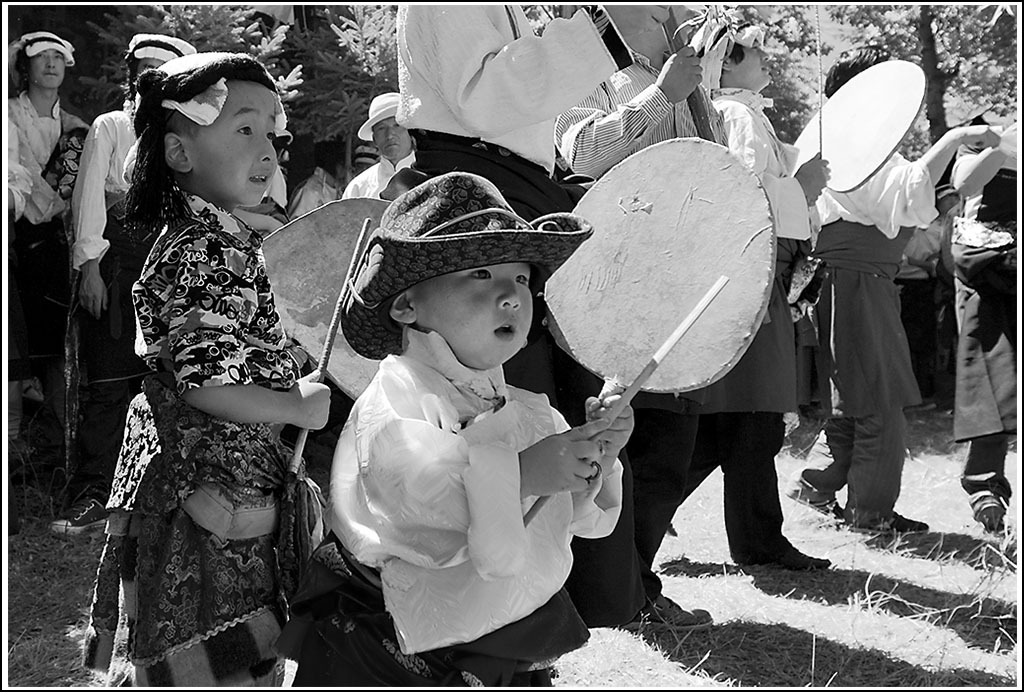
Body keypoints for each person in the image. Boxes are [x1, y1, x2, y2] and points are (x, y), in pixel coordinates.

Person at [278, 171, 632, 686]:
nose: (511, 296)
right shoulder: (391, 404)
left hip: (503, 633)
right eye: (481, 275)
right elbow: (418, 496)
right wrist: (526, 474)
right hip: (393, 643)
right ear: (406, 303)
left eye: (521, 279)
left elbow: (577, 518)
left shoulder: (533, 412)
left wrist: (594, 456)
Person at [390, 4, 671, 630]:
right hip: (471, 202)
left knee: (558, 412)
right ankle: (502, 617)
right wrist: (606, 28)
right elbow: (490, 98)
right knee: (489, 410)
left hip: (525, 195)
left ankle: (552, 606)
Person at [81, 51, 332, 686]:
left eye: (272, 132)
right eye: (245, 129)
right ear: (180, 154)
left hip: (208, 478)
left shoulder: (225, 241)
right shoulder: (203, 251)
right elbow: (209, 383)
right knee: (220, 642)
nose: (270, 150)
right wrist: (294, 405)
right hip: (209, 484)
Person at [553, 4, 724, 633]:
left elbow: (716, 177)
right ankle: (599, 591)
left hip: (679, 280)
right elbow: (578, 150)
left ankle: (639, 586)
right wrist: (661, 95)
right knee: (609, 434)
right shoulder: (577, 62)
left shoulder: (694, 80)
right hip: (607, 279)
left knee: (669, 447)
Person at [786, 45, 1001, 533]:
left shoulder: (843, 145)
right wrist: (957, 137)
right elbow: (911, 193)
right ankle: (871, 513)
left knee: (856, 401)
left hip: (854, 283)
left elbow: (915, 197)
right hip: (856, 284)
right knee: (879, 404)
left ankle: (815, 487)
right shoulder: (854, 148)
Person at [671, 18, 833, 571]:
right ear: (728, 61)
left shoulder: (745, 114)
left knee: (737, 420)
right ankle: (756, 540)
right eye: (756, 53)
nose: (767, 61)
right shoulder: (736, 114)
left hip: (759, 270)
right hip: (751, 271)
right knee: (752, 413)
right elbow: (737, 188)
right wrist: (800, 188)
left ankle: (652, 517)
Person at [53, 33, 197, 537]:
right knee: (111, 384)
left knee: (169, 383)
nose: (149, 78)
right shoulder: (111, 126)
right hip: (118, 267)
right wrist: (89, 264)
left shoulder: (188, 135)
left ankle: (158, 499)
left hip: (175, 271)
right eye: (143, 69)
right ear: (131, 75)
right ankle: (95, 494)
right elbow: (90, 194)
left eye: (161, 70)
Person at [7, 30, 90, 465]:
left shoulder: (76, 128)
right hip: (14, 245)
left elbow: (61, 198)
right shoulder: (5, 117)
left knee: (57, 348)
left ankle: (60, 445)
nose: (53, 64)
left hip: (55, 248)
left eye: (60, 56)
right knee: (14, 347)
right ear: (26, 65)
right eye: (43, 57)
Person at [949, 119, 1016, 533]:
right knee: (992, 373)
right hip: (988, 270)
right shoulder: (983, 138)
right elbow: (966, 185)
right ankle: (984, 485)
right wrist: (1002, 147)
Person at [342, 91, 415, 199]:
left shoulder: (432, 177)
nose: (390, 135)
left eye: (397, 126)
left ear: (411, 132)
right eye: (381, 128)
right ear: (374, 138)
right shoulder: (359, 188)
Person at [286, 138, 346, 218]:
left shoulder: (339, 189)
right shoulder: (310, 191)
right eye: (342, 163)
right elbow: (297, 224)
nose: (346, 168)